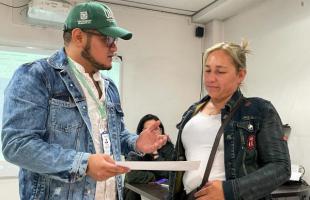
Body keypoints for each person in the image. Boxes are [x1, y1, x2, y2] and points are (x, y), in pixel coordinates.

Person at [1, 2, 167, 200]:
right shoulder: (37, 76)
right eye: (107, 38)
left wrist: (135, 143)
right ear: (78, 36)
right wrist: (84, 164)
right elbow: (17, 145)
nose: (115, 46)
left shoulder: (109, 86)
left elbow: (114, 135)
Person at [168, 41, 291, 200]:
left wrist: (230, 191)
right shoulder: (192, 112)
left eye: (220, 72)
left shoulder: (259, 110)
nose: (211, 78)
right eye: (207, 70)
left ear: (241, 75)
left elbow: (281, 168)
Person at [123, 114, 174, 200]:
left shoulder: (168, 147)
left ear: (161, 130)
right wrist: (154, 177)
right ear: (141, 133)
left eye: (156, 129)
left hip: (159, 193)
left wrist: (155, 153)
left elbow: (170, 173)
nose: (153, 133)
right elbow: (131, 176)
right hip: (135, 194)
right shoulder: (136, 148)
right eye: (148, 130)